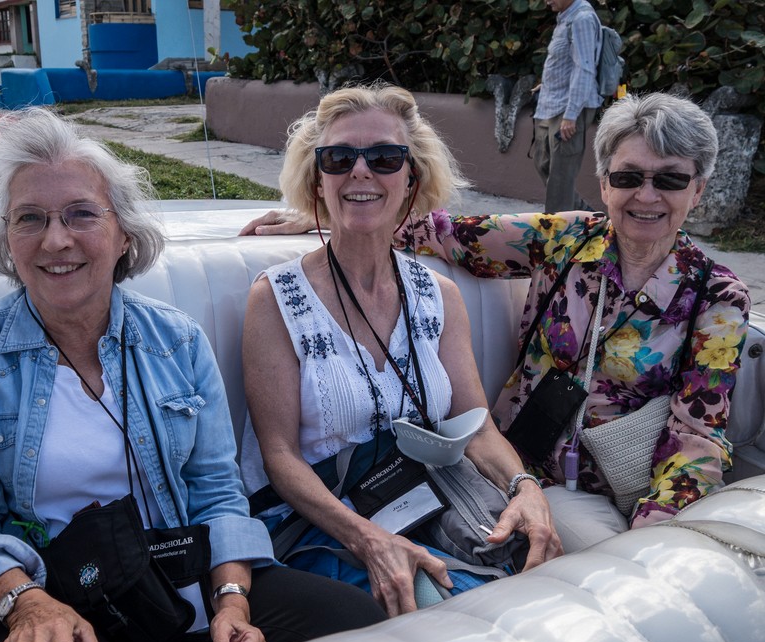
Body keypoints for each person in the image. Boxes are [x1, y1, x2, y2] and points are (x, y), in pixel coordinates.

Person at [0, 107, 387, 642]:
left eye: (80, 215)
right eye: (30, 219)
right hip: (62, 596)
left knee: (357, 627)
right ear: (8, 241)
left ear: (122, 234)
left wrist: (233, 602)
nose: (56, 240)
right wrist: (27, 603)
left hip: (187, 583)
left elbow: (216, 489)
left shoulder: (176, 340)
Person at [242, 92, 751, 555]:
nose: (646, 195)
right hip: (525, 466)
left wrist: (654, 533)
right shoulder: (567, 238)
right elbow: (444, 232)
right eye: (628, 177)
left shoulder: (717, 294)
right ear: (603, 183)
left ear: (698, 190)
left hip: (636, 480)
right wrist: (330, 212)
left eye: (669, 180)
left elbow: (698, 433)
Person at [239, 83, 562, 619]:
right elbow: (280, 458)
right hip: (328, 514)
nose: (360, 172)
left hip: (429, 491)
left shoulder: (439, 295)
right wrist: (368, 540)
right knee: (441, 604)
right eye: (339, 158)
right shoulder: (275, 298)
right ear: (317, 178)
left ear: (412, 176)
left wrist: (526, 487)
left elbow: (476, 425)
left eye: (386, 158)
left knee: (537, 567)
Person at [532, 0, 604, 213]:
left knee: (560, 178)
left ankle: (558, 234)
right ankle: (590, 218)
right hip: (551, 103)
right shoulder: (566, 18)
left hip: (569, 108)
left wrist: (571, 115)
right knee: (542, 162)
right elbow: (566, 63)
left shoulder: (582, 19)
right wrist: (546, 85)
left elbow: (585, 69)